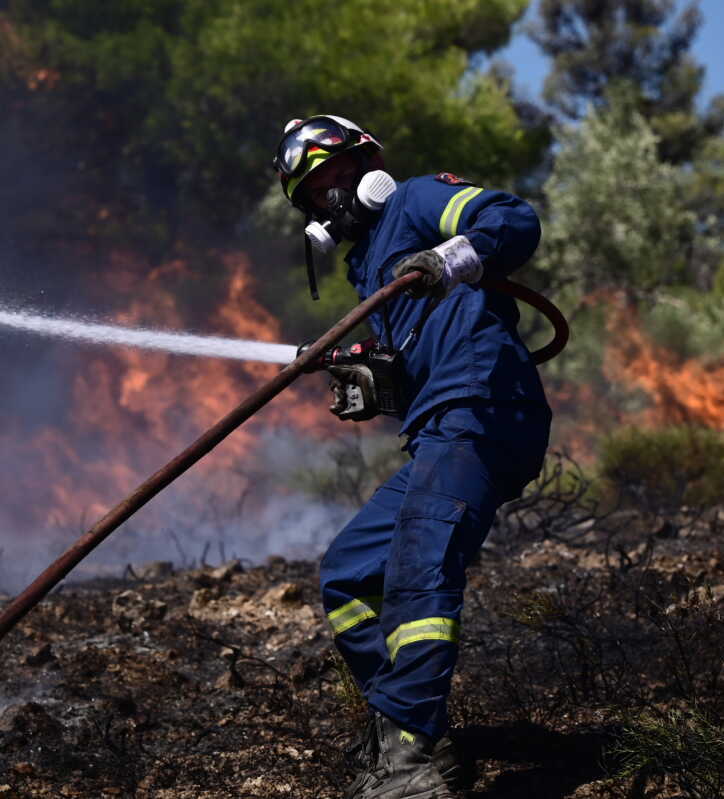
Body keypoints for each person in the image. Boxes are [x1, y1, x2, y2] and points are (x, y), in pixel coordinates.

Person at [273, 115, 552, 799]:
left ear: (367, 165)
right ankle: (417, 729)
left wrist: (451, 255)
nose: (329, 199)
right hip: (439, 423)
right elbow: (416, 358)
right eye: (313, 195)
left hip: (482, 403)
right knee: (349, 574)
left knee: (420, 562)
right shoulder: (368, 267)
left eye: (334, 178)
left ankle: (408, 758)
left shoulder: (416, 201)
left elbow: (514, 218)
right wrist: (371, 376)